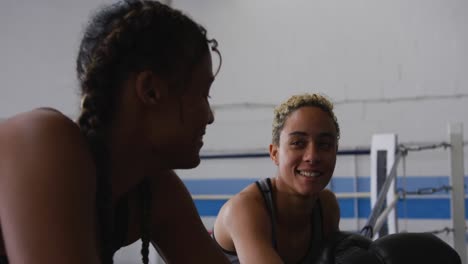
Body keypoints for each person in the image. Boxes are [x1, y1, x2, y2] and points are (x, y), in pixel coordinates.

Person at [0, 1, 230, 263]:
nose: (210, 117)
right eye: (203, 94)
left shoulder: (152, 191)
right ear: (151, 90)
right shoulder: (41, 139)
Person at [212, 93, 341, 264]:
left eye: (324, 145)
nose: (312, 156)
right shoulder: (244, 210)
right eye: (298, 143)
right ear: (274, 153)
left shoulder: (326, 207)